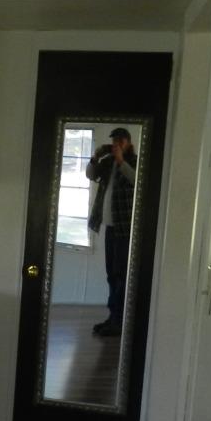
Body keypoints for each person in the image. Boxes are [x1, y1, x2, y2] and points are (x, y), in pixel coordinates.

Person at [85, 127, 137, 337]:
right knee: (111, 275)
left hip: (125, 228)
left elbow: (137, 180)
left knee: (120, 274)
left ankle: (118, 320)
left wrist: (120, 160)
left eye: (121, 141)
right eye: (115, 140)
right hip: (109, 227)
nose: (117, 144)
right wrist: (96, 156)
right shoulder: (106, 161)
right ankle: (113, 317)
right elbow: (90, 175)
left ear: (129, 143)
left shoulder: (133, 161)